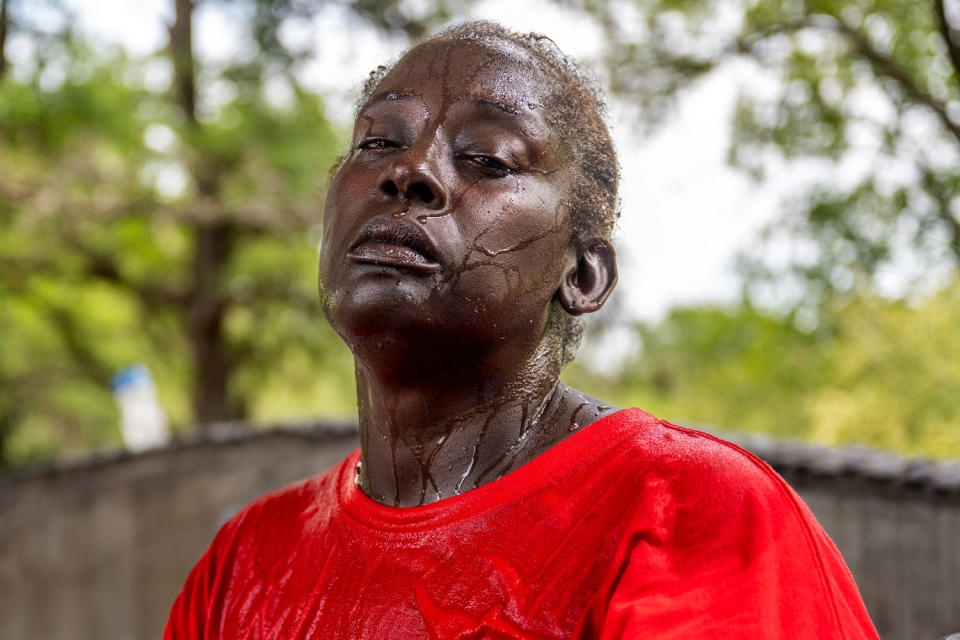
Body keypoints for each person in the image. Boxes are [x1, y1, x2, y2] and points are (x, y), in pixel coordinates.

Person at [164, 21, 880, 639]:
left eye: (488, 158)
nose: (409, 171)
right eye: (377, 142)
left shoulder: (687, 511)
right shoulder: (244, 563)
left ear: (584, 276)